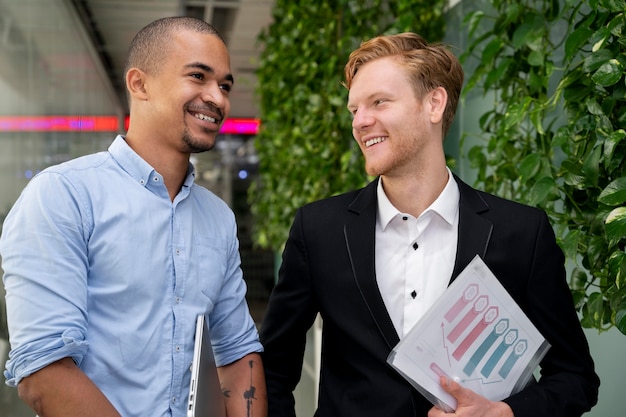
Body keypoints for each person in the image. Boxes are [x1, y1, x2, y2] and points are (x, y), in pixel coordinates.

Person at [259, 33, 599, 417]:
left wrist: (503, 413)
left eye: (379, 102)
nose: (360, 122)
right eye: (354, 109)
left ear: (434, 103)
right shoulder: (318, 229)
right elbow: (273, 370)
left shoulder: (521, 232)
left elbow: (575, 378)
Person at [0, 16, 266, 417]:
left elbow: (237, 354)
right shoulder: (63, 195)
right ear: (139, 84)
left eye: (225, 85)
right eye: (198, 76)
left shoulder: (218, 218)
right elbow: (43, 373)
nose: (218, 98)